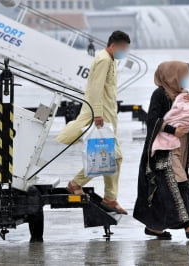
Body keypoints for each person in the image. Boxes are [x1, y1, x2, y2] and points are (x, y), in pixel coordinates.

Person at [56, 30, 130, 215]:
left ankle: (107, 197)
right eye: (122, 48)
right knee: (111, 157)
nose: (124, 52)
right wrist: (98, 114)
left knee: (109, 157)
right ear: (113, 45)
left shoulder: (111, 59)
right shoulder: (104, 59)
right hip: (99, 116)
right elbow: (95, 89)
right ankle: (88, 189)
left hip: (107, 116)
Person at [133, 61, 189, 239]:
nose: (185, 79)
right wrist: (172, 130)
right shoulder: (160, 94)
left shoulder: (184, 94)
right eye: (182, 75)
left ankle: (155, 228)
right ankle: (188, 226)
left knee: (165, 189)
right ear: (172, 76)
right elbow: (152, 119)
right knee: (178, 184)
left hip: (182, 146)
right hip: (165, 149)